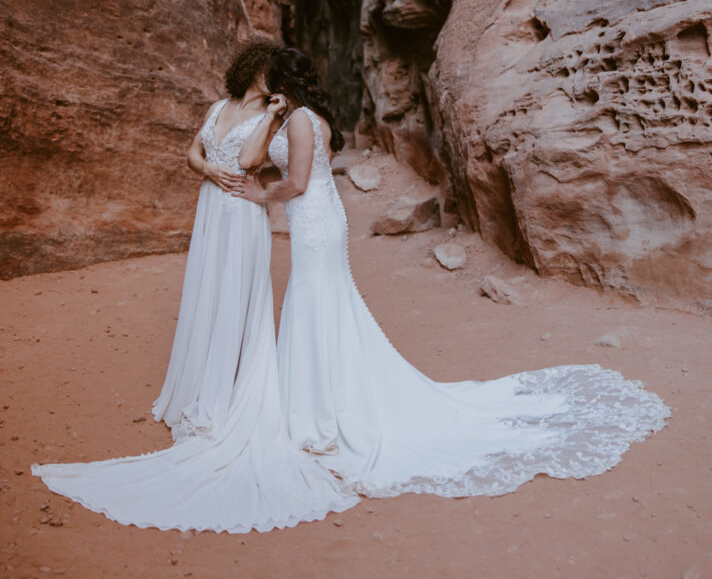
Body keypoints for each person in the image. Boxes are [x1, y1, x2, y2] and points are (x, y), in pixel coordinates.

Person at [235, 46, 670, 498]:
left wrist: (259, 196)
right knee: (320, 299)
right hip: (317, 218)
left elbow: (299, 182)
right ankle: (322, 396)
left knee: (316, 297)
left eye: (269, 78)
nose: (263, 84)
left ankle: (321, 406)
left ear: (282, 81)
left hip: (315, 218)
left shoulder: (303, 120)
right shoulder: (300, 117)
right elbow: (263, 161)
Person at [32, 42, 358, 533]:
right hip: (211, 208)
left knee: (238, 296)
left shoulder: (279, 115)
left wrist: (269, 121)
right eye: (269, 71)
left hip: (243, 213)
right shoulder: (216, 107)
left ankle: (229, 392)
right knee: (206, 293)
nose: (275, 80)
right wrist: (207, 169)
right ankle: (204, 380)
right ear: (253, 70)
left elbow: (256, 165)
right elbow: (194, 152)